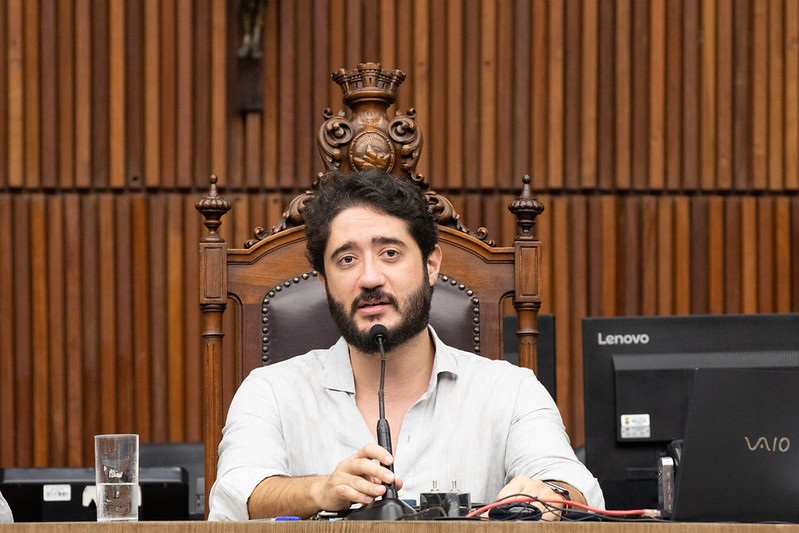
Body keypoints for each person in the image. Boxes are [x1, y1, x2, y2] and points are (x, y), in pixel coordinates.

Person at [208, 169, 604, 521]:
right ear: (324, 283)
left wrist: (549, 496)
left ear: (431, 265)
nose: (369, 278)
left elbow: (573, 487)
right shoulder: (270, 391)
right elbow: (235, 496)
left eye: (390, 253)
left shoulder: (511, 390)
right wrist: (322, 490)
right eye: (346, 260)